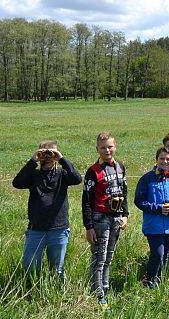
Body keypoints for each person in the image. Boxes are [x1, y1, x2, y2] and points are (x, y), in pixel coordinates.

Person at [13, 140, 82, 281]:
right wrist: (33, 160)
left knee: (57, 270)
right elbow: (17, 183)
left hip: (59, 229)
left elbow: (77, 179)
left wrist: (62, 159)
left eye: (52, 153)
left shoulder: (62, 174)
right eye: (45, 153)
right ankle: (31, 291)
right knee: (30, 267)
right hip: (36, 229)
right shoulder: (33, 175)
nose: (48, 156)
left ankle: (58, 295)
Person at [82, 131, 129, 309]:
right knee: (99, 258)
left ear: (115, 147)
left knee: (109, 256)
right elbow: (86, 200)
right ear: (97, 149)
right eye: (103, 147)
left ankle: (106, 287)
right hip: (99, 218)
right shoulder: (93, 171)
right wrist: (89, 226)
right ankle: (97, 293)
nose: (107, 150)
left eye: (110, 146)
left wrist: (125, 214)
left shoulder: (120, 167)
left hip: (116, 218)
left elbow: (124, 191)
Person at [134, 148, 169, 287]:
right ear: (156, 160)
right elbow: (139, 201)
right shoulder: (147, 178)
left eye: (168, 159)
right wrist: (158, 208)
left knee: (165, 255)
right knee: (158, 254)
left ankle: (159, 281)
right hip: (153, 225)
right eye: (162, 159)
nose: (165, 162)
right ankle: (149, 281)